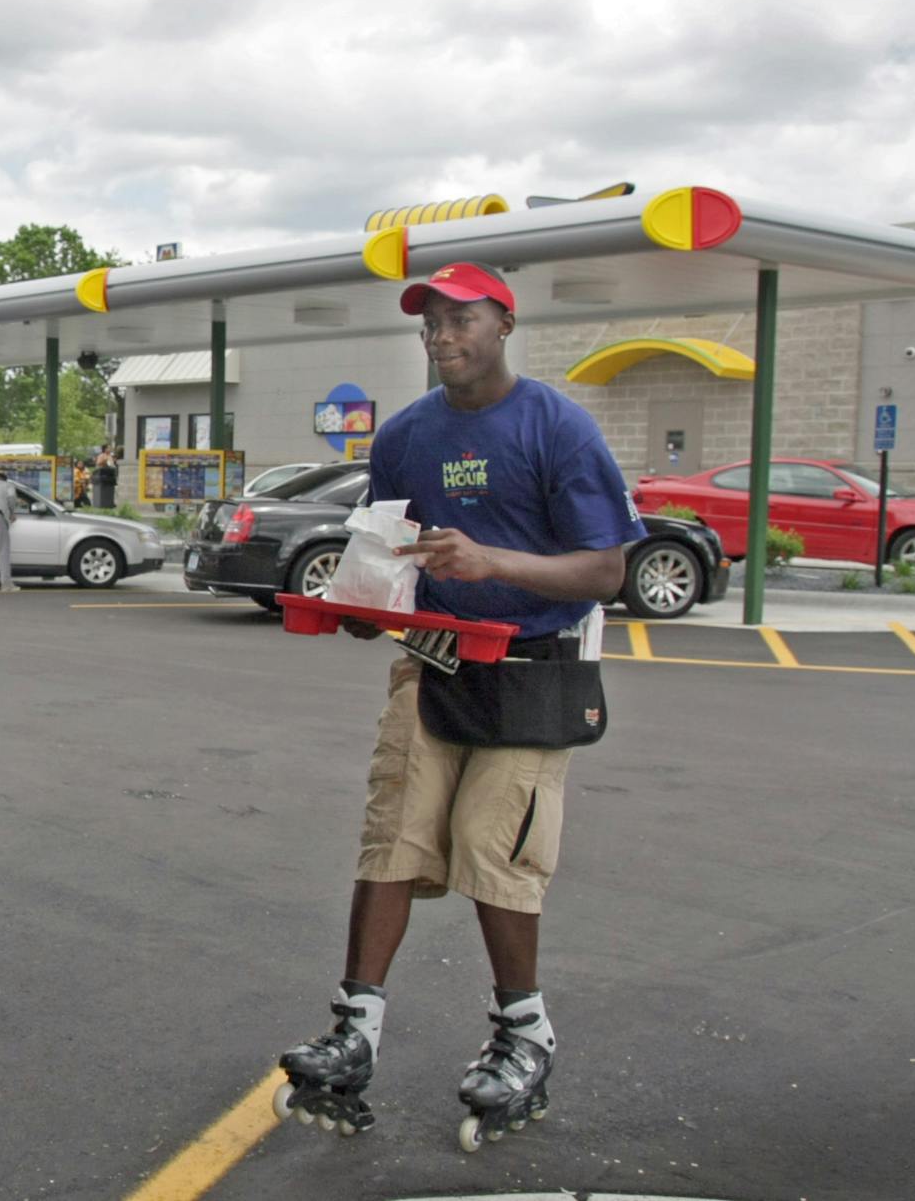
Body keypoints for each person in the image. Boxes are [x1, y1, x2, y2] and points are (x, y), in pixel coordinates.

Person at [274, 261, 644, 1151]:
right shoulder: (404, 437)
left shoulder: (558, 427)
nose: (442, 335)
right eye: (430, 321)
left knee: (493, 845)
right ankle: (354, 1027)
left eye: (461, 319)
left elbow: (606, 571)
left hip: (531, 668)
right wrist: (366, 607)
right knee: (392, 830)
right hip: (431, 662)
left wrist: (495, 564)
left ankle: (524, 1032)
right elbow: (389, 549)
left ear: (505, 325)